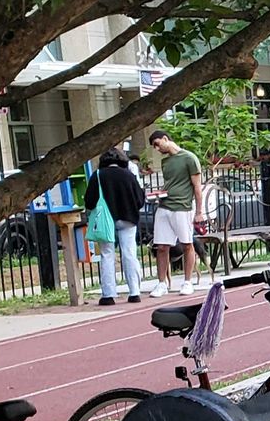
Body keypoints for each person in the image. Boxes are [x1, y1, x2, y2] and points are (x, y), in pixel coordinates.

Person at [147, 128, 203, 296]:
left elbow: (197, 186)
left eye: (157, 144)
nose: (157, 149)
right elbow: (170, 183)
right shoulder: (166, 162)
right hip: (164, 205)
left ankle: (187, 281)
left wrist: (199, 212)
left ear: (165, 139)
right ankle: (162, 283)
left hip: (182, 206)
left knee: (187, 244)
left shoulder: (189, 158)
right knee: (162, 246)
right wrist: (159, 193)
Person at [86, 147, 145, 305]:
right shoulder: (129, 175)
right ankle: (134, 292)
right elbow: (140, 200)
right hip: (128, 218)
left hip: (105, 220)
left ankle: (108, 294)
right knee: (129, 253)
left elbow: (89, 201)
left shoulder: (97, 176)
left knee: (107, 254)